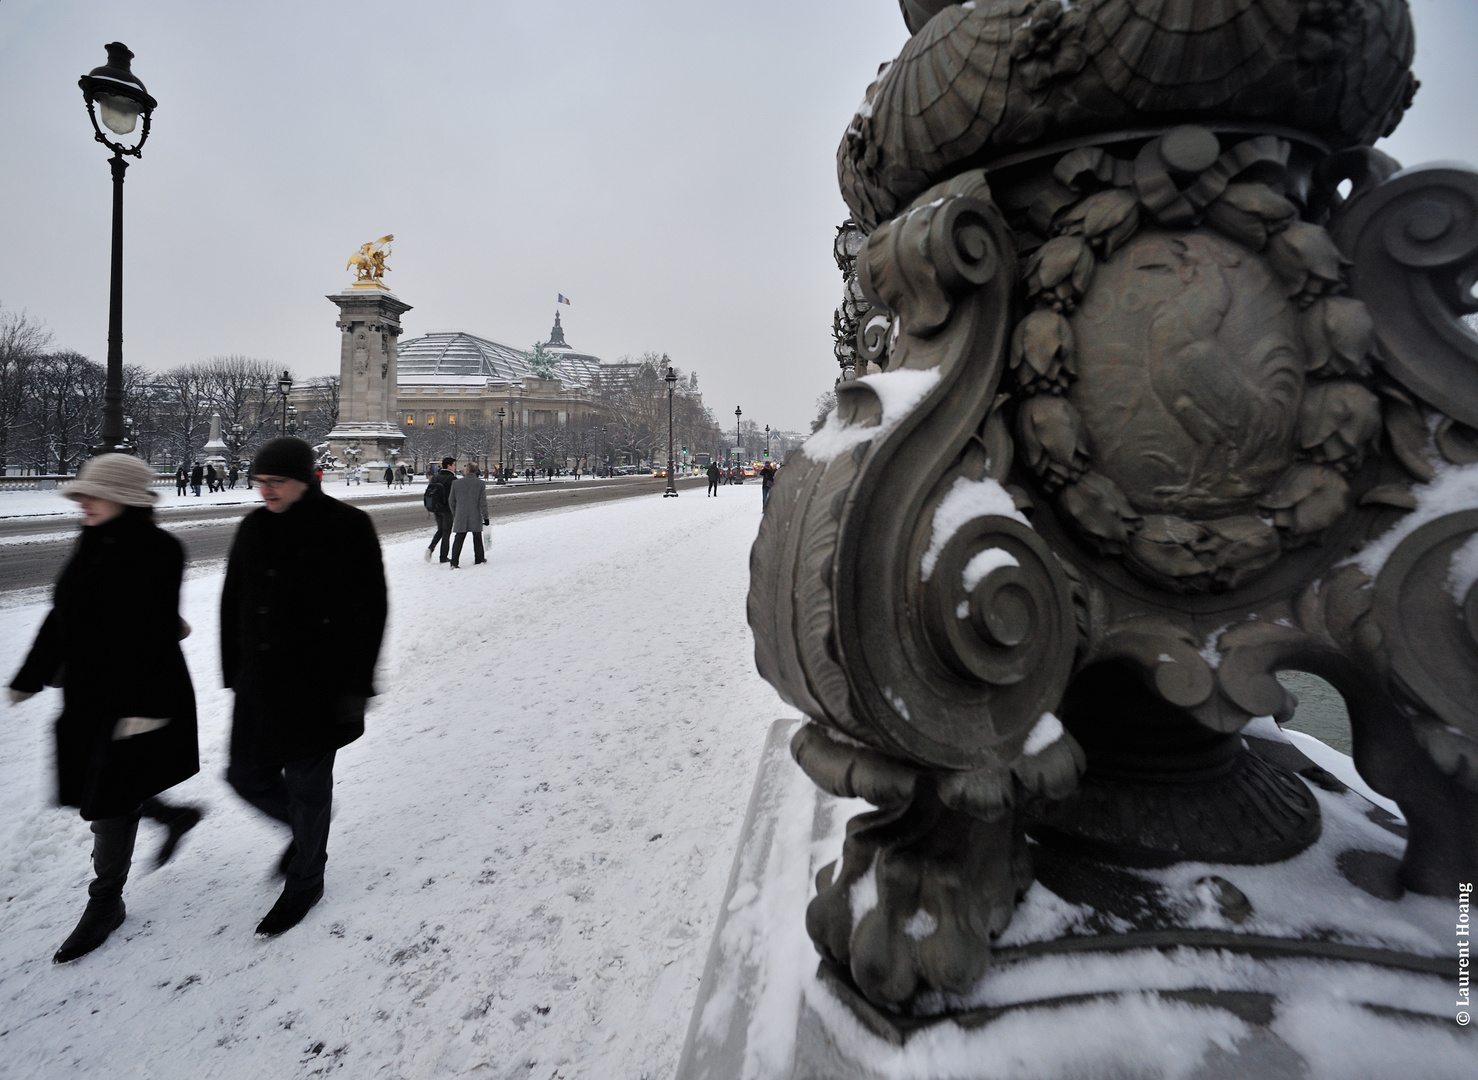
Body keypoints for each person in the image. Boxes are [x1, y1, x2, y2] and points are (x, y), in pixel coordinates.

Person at [8, 454, 202, 963]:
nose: (81, 502)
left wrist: (146, 707)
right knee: (101, 787)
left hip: (136, 693)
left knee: (108, 799)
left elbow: (155, 630)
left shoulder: (160, 549)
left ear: (124, 499)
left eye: (92, 494)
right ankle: (173, 816)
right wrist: (32, 673)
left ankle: (105, 902)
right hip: (90, 693)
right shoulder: (89, 540)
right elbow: (62, 613)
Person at [220, 437, 387, 936]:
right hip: (259, 681)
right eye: (260, 482)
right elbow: (233, 602)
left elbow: (369, 613)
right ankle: (304, 830)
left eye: (275, 482)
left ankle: (305, 882)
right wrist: (233, 670)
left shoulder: (348, 526)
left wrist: (356, 686)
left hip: (319, 686)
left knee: (308, 788)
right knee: (245, 776)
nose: (265, 490)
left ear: (303, 480)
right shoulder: (252, 525)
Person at [447, 463, 490, 569]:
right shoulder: (480, 483)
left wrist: (455, 513)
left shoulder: (456, 483)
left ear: (467, 470)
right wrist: (486, 516)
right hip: (475, 514)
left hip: (460, 514)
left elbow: (451, 501)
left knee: (459, 539)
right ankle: (479, 558)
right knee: (477, 538)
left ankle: (454, 562)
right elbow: (483, 502)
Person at [423, 455, 457, 563]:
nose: (455, 467)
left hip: (436, 507)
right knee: (447, 532)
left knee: (440, 530)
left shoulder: (436, 477)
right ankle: (443, 556)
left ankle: (431, 548)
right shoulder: (452, 479)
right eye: (454, 465)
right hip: (447, 508)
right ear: (449, 466)